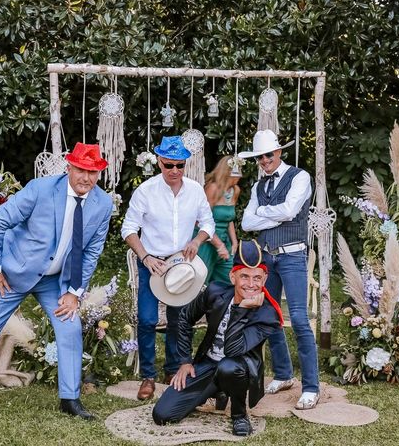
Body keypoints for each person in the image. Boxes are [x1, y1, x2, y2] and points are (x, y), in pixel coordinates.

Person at [0, 143, 113, 420]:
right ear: (69, 167)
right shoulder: (40, 190)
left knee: (70, 327)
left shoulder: (103, 203)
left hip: (54, 281)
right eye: (82, 170)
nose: (87, 178)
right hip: (12, 275)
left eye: (93, 172)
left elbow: (92, 250)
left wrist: (74, 291)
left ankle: (70, 400)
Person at [152, 240, 283, 436]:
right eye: (244, 276)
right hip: (209, 364)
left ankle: (239, 415)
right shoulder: (215, 292)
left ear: (264, 279)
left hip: (240, 368)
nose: (251, 284)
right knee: (162, 415)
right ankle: (216, 391)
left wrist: (241, 309)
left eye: (257, 278)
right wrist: (185, 361)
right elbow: (185, 318)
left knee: (228, 366)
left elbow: (233, 350)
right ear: (232, 277)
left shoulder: (268, 315)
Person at [121, 135, 215, 401]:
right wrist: (145, 257)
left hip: (181, 264)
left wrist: (197, 240)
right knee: (148, 319)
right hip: (153, 263)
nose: (174, 171)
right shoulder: (146, 190)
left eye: (179, 165)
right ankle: (147, 375)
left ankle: (173, 369)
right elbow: (128, 229)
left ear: (186, 164)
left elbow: (207, 223)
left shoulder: (195, 190)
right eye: (168, 165)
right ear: (159, 162)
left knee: (178, 320)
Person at [239, 129, 320, 410]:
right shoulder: (258, 187)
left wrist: (263, 214)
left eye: (268, 155)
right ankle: (284, 374)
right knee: (269, 316)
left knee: (298, 319)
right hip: (267, 259)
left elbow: (289, 212)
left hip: (293, 255)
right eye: (260, 158)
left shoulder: (300, 177)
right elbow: (247, 224)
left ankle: (311, 386)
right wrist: (269, 216)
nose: (264, 161)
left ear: (279, 152)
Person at [196, 155, 241, 286]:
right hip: (206, 241)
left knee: (230, 279)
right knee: (200, 282)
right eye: (236, 171)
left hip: (224, 240)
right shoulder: (212, 188)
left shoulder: (235, 190)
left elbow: (229, 219)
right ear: (227, 172)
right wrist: (218, 245)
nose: (240, 175)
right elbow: (201, 221)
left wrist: (234, 242)